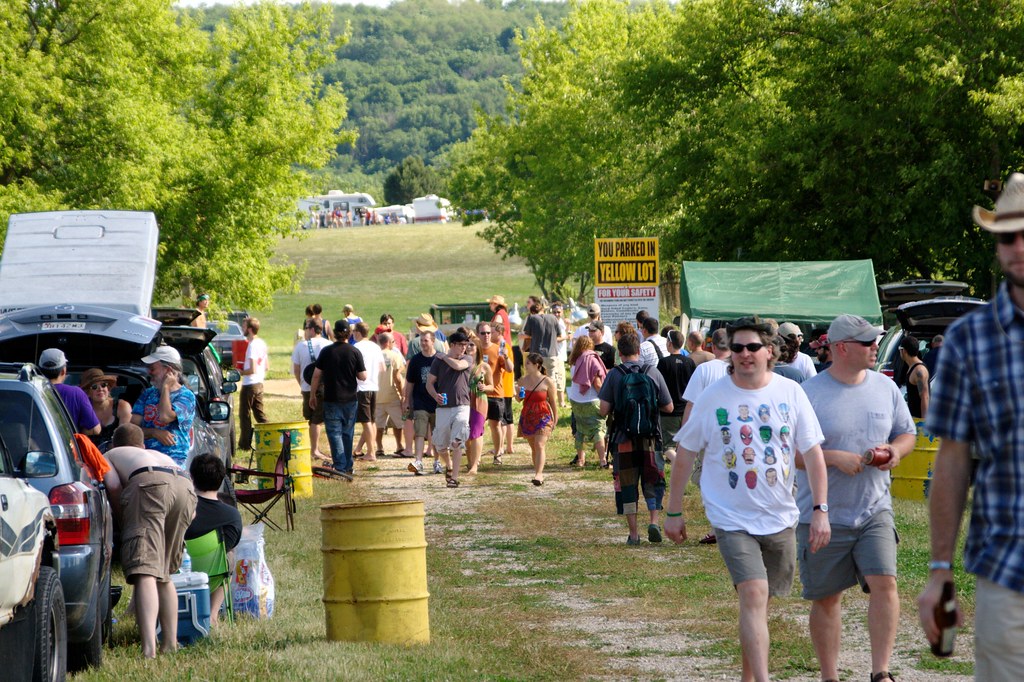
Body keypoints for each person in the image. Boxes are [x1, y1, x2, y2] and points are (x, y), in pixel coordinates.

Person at [665, 317, 831, 682]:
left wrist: (820, 509)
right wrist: (673, 511)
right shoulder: (714, 397)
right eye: (736, 347)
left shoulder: (790, 392)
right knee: (754, 594)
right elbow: (686, 452)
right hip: (730, 518)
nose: (743, 353)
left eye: (752, 347)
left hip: (780, 515)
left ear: (769, 351)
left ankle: (749, 676)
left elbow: (813, 454)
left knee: (757, 604)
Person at [918, 172, 1024, 680]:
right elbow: (953, 459)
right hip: (1008, 570)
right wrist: (940, 570)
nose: (1019, 245)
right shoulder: (968, 341)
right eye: (1008, 235)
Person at [796, 314, 916, 682]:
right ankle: (830, 676)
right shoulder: (808, 393)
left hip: (874, 509)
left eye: (875, 341)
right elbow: (793, 455)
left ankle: (881, 672)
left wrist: (895, 451)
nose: (875, 348)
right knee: (828, 598)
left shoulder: (885, 387)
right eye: (868, 343)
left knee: (885, 583)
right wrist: (833, 458)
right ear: (841, 348)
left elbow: (906, 433)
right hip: (822, 513)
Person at [104, 424, 197, 658]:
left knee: (144, 570)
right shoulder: (156, 453)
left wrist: (125, 522)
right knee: (164, 573)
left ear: (115, 444)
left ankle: (149, 649)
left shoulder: (110, 454)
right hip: (185, 487)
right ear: (142, 445)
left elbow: (113, 486)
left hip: (151, 483)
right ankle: (170, 642)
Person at [599, 331, 674, 545]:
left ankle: (633, 534)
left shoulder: (615, 374)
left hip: (623, 438)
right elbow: (668, 406)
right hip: (651, 437)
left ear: (619, 353)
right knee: (653, 478)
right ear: (639, 351)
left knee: (627, 483)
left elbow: (604, 410)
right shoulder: (652, 371)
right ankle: (654, 521)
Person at [185, 453, 242, 625]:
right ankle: (212, 614)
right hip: (215, 575)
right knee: (230, 554)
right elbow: (232, 543)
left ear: (192, 477)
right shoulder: (231, 515)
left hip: (180, 571)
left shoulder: (183, 508)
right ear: (221, 479)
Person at [309, 320, 367, 476]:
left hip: (331, 399)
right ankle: (347, 465)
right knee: (347, 433)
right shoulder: (354, 352)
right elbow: (363, 376)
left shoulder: (327, 351)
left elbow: (316, 376)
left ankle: (340, 467)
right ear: (349, 333)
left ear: (334, 333)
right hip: (350, 399)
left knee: (334, 433)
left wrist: (312, 395)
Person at [131, 345, 197, 468]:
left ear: (168, 370)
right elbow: (133, 429)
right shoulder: (148, 393)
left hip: (173, 462)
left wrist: (166, 388)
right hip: (146, 459)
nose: (149, 372)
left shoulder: (186, 396)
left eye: (152, 368)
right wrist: (154, 433)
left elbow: (165, 416)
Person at [426, 330, 474, 488]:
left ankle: (454, 477)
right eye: (461, 345)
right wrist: (434, 396)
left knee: (458, 441)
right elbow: (429, 383)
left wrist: (444, 356)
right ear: (452, 344)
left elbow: (459, 366)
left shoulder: (467, 358)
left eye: (466, 345)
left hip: (462, 405)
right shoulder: (438, 362)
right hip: (443, 407)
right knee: (440, 445)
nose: (464, 348)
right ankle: (449, 464)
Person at [292, 319, 331, 463]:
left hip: (306, 387)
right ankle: (314, 448)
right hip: (323, 386)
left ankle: (313, 449)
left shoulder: (300, 346)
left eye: (306, 328)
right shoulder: (328, 345)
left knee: (311, 419)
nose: (305, 330)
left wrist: (301, 383)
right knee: (318, 419)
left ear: (313, 329)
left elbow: (296, 369)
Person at [516, 352, 558, 486]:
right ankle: (538, 471)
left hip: (543, 416)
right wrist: (517, 392)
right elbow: (518, 399)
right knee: (534, 447)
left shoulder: (547, 381)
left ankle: (539, 474)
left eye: (528, 363)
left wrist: (555, 419)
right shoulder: (522, 380)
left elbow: (553, 402)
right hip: (528, 417)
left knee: (539, 444)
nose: (525, 365)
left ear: (537, 365)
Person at [37, 348, 101, 435]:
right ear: (63, 371)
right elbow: (95, 429)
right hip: (68, 447)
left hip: (36, 447)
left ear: (39, 371)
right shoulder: (76, 393)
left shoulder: (29, 391)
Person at [567, 336, 607, 468]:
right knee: (598, 429)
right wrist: (607, 397)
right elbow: (597, 384)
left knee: (580, 430)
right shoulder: (592, 359)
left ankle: (581, 460)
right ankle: (603, 461)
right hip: (590, 400)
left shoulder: (574, 360)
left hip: (575, 401)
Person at [404, 330, 440, 476]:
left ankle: (437, 462)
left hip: (437, 402)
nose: (423, 343)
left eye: (426, 340)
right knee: (419, 433)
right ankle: (418, 461)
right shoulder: (415, 360)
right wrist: (407, 400)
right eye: (421, 341)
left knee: (437, 434)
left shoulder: (440, 359)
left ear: (433, 341)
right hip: (420, 402)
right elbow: (410, 383)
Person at [657, 330, 696, 464]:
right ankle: (682, 460)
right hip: (686, 409)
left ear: (669, 343)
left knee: (667, 446)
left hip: (670, 410)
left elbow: (659, 386)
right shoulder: (689, 362)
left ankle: (678, 462)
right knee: (684, 443)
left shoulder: (663, 363)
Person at [479, 321, 512, 464]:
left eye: (488, 332)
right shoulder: (475, 349)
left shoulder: (498, 349)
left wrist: (506, 356)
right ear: (478, 334)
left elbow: (510, 369)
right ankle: (476, 456)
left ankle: (498, 454)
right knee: (477, 427)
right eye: (483, 333)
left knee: (495, 425)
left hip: (495, 393)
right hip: (479, 394)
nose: (486, 335)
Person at [352, 322, 385, 461]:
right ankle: (368, 449)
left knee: (366, 422)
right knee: (371, 420)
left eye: (354, 331)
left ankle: (371, 452)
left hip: (361, 387)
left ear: (358, 332)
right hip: (374, 385)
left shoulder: (356, 347)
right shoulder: (375, 347)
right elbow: (382, 368)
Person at [373, 332, 407, 458]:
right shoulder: (395, 355)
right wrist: (403, 393)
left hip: (377, 395)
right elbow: (397, 377)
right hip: (392, 394)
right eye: (393, 342)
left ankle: (379, 447)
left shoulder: (374, 355)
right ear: (388, 342)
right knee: (398, 424)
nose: (394, 344)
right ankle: (399, 445)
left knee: (378, 425)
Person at [81, 367, 132, 450]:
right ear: (87, 392)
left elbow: (124, 439)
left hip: (117, 454)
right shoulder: (82, 409)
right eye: (94, 387)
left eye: (103, 385)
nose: (100, 389)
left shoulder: (122, 406)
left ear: (108, 388)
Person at [238, 317, 269, 453]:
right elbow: (266, 366)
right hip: (259, 383)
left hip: (250, 384)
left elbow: (252, 369)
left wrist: (240, 371)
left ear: (250, 329)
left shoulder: (252, 345)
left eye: (244, 327)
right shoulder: (262, 343)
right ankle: (270, 436)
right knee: (259, 414)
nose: (243, 329)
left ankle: (244, 444)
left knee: (244, 415)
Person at [465, 337, 494, 475]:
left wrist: (485, 387)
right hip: (465, 401)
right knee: (466, 434)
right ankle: (470, 461)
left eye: (471, 345)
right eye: (466, 345)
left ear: (477, 348)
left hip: (479, 401)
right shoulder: (462, 364)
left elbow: (492, 387)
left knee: (476, 433)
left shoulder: (484, 366)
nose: (468, 347)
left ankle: (475, 465)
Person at [521, 299, 563, 386]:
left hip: (536, 355)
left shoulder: (531, 318)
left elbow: (527, 334)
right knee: (552, 381)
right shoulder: (553, 318)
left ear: (532, 312)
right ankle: (552, 398)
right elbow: (559, 335)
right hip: (551, 354)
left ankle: (540, 398)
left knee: (536, 381)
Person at [899, 334, 930, 419]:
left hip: (919, 420)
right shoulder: (912, 368)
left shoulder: (919, 370)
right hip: (913, 418)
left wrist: (923, 423)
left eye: (900, 349)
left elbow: (925, 397)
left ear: (904, 351)